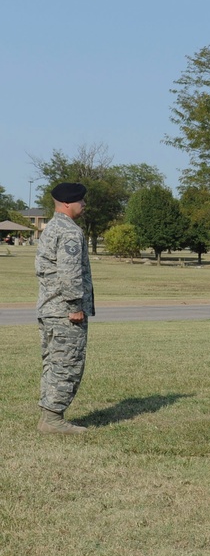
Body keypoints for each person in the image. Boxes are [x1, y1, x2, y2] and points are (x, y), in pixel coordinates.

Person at [35, 182, 94, 434]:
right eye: (81, 201)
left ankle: (49, 415)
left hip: (49, 308)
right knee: (67, 362)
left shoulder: (50, 228)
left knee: (53, 361)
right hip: (64, 311)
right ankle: (53, 419)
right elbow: (69, 273)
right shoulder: (69, 231)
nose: (84, 205)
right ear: (68, 203)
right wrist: (75, 305)